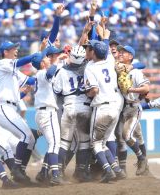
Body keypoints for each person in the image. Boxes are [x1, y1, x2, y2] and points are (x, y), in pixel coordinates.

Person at [0, 40, 44, 183]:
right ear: (5, 52)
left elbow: (31, 81)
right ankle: (16, 169)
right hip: (2, 107)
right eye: (12, 48)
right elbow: (21, 61)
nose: (16, 50)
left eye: (16, 48)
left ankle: (20, 170)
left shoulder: (14, 70)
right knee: (25, 135)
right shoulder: (2, 63)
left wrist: (46, 73)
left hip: (11, 108)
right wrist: (35, 55)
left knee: (31, 138)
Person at [84, 39, 126, 183]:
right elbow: (105, 50)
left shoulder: (90, 68)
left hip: (101, 107)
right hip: (115, 106)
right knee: (104, 141)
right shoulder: (109, 61)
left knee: (95, 143)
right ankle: (117, 169)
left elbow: (94, 90)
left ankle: (108, 171)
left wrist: (87, 93)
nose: (87, 50)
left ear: (93, 52)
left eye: (89, 49)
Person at [53, 45, 92, 182]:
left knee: (64, 143)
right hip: (85, 108)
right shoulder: (88, 68)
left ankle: (57, 172)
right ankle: (81, 172)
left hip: (68, 107)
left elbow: (57, 91)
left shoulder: (61, 71)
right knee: (84, 142)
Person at [33, 46, 66, 185]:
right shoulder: (41, 73)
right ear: (41, 63)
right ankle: (55, 175)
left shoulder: (41, 73)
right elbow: (49, 73)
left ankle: (44, 173)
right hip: (47, 112)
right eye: (46, 58)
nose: (48, 59)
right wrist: (57, 60)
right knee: (54, 143)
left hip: (43, 112)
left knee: (52, 144)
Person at [117, 45, 150, 175]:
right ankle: (144, 167)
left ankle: (142, 159)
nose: (120, 54)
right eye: (120, 52)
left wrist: (131, 90)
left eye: (124, 52)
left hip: (133, 108)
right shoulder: (118, 69)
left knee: (127, 135)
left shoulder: (135, 72)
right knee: (138, 138)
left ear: (130, 56)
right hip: (121, 109)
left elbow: (146, 89)